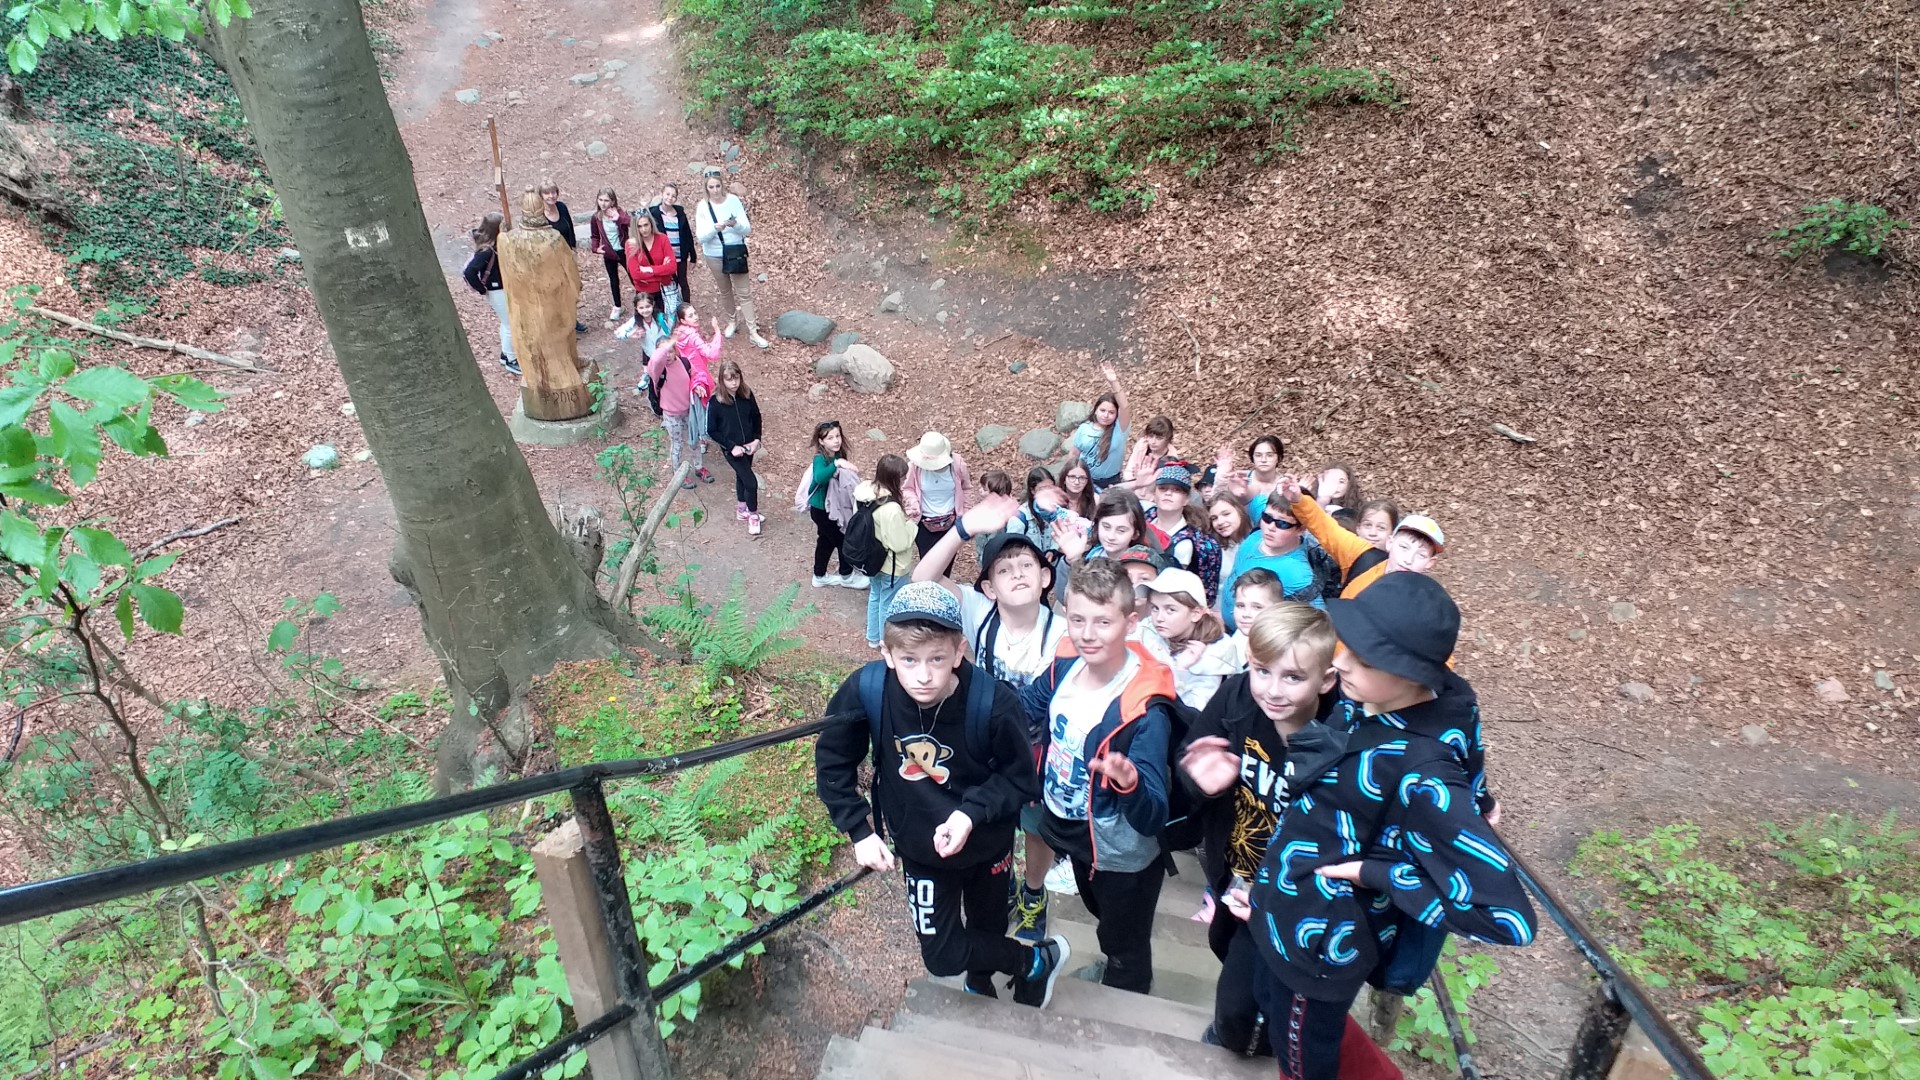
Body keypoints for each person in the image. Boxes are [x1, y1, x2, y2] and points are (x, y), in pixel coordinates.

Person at [1246, 574, 1534, 1080]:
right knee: (1270, 1007)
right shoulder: (1414, 698)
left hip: (1322, 941)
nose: (1340, 662)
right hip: (1281, 902)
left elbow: (1508, 918)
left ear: (1411, 672)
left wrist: (1377, 873)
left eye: (1366, 659)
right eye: (1348, 645)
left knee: (1302, 1058)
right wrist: (1484, 802)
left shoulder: (1425, 770)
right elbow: (1473, 765)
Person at [814, 582, 1070, 1006]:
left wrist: (969, 815)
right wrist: (859, 830)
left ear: (958, 651)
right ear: (887, 653)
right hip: (920, 850)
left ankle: (980, 985)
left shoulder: (993, 702)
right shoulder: (868, 690)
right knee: (942, 955)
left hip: (987, 846)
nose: (923, 675)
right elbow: (833, 759)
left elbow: (1019, 778)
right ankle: (1034, 962)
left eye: (936, 658)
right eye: (909, 659)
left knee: (988, 928)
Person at [1178, 603, 1337, 1057]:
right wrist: (1200, 780)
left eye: (1293, 677)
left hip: (1289, 896)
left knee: (1240, 1005)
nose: (1273, 690)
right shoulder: (1237, 698)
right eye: (1262, 670)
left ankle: (1247, 1039)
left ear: (1326, 680)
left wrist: (1277, 902)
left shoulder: (1340, 737)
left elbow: (1344, 834)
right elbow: (1190, 756)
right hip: (1234, 874)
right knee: (1222, 944)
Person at [912, 495, 1070, 944]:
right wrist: (963, 528)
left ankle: (1034, 892)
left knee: (1036, 830)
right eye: (1004, 568)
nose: (1017, 573)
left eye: (1027, 565)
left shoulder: (1063, 631)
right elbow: (922, 581)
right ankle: (1001, 882)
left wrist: (1080, 558)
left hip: (1038, 753)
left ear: (1045, 578)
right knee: (988, 819)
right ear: (988, 588)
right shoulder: (978, 614)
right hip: (982, 747)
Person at [1018, 558, 1177, 994]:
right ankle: (1114, 968)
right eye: (1077, 619)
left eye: (1103, 622)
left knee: (1125, 938)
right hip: (1073, 831)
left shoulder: (1145, 710)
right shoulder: (1067, 662)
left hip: (1121, 850)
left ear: (1131, 623)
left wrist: (1130, 782)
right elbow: (1025, 706)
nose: (1087, 634)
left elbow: (1152, 816)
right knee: (1098, 911)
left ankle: (1124, 990)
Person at [1275, 476, 1443, 599]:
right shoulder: (1363, 556)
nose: (1408, 560)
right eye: (1404, 547)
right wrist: (1299, 499)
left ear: (1430, 563)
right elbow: (1326, 528)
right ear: (1391, 542)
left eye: (1421, 555)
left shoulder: (1424, 602)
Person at [1216, 497, 1332, 632]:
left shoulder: (1298, 573)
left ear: (1301, 529)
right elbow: (1252, 498)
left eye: (1282, 523)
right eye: (1267, 518)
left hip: (1258, 637)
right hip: (1232, 629)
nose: (1270, 527)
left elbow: (1319, 623)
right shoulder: (1258, 534)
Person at [645, 302, 721, 489]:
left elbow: (696, 375)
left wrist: (698, 386)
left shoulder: (684, 362)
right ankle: (678, 474)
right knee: (677, 444)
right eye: (665, 352)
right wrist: (667, 344)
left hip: (689, 410)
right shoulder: (658, 370)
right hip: (672, 415)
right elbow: (655, 360)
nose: (668, 355)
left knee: (694, 441)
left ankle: (699, 467)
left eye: (671, 351)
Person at [1140, 568, 1236, 710]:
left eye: (1170, 610)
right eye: (1155, 608)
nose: (1159, 618)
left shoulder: (1213, 654)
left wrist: (1180, 671)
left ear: (1196, 614)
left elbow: (1193, 713)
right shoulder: (1147, 630)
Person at [694, 172, 768, 349]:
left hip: (735, 251)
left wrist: (735, 224)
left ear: (722, 185)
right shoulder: (703, 206)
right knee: (725, 291)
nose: (715, 190)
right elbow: (701, 237)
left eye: (717, 186)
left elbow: (746, 229)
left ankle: (753, 331)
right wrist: (715, 229)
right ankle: (732, 321)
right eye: (711, 187)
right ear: (706, 188)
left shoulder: (733, 201)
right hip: (714, 254)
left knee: (744, 292)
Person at [796, 420, 867, 589]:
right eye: (830, 438)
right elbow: (820, 477)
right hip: (822, 510)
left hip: (832, 508)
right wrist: (836, 464)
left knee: (825, 541)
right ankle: (847, 576)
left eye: (838, 436)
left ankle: (819, 575)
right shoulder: (820, 459)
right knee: (842, 539)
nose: (836, 441)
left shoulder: (837, 455)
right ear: (821, 441)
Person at [856, 455, 917, 648]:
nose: (904, 481)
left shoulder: (866, 493)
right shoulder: (891, 509)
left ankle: (873, 636)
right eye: (902, 478)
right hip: (892, 565)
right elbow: (899, 543)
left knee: (875, 595)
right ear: (893, 479)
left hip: (872, 559)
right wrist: (912, 524)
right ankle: (886, 641)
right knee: (889, 603)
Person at [1144, 465, 1222, 605]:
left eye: (1176, 490)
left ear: (1186, 499)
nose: (1168, 493)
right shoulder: (1143, 519)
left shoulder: (1191, 542)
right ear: (1154, 493)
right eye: (1163, 488)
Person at [706, 360, 763, 535]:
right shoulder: (716, 402)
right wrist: (731, 447)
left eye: (736, 378)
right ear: (722, 380)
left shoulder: (746, 394)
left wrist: (756, 440)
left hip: (748, 446)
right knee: (751, 482)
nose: (734, 383)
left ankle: (742, 509)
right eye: (729, 379)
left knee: (742, 477)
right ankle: (753, 515)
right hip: (732, 449)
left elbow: (756, 417)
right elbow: (711, 430)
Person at [902, 432, 972, 576]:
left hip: (951, 523)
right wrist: (913, 504)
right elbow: (907, 488)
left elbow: (966, 489)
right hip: (924, 523)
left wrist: (964, 513)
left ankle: (943, 588)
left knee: (946, 565)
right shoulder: (915, 466)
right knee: (927, 566)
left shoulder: (957, 464)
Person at [461, 214, 516, 374]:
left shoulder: (496, 245)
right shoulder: (486, 251)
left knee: (505, 322)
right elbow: (470, 272)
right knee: (510, 324)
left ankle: (505, 353)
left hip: (501, 290)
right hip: (496, 290)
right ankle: (511, 359)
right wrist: (482, 289)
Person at [1066, 362, 1130, 490]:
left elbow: (1125, 407)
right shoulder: (1084, 428)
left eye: (1111, 412)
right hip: (1085, 478)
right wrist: (1069, 475)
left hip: (1111, 481)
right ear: (1095, 410)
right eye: (1102, 410)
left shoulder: (1119, 429)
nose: (1106, 415)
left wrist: (1113, 381)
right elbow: (1073, 454)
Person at [536, 180, 588, 335]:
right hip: (550, 261)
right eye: (547, 193)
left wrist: (573, 248)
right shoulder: (539, 215)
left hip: (567, 257)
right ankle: (560, 324)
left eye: (553, 192)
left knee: (571, 289)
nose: (551, 196)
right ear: (541, 195)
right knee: (555, 292)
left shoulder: (562, 207)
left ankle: (572, 320)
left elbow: (570, 227)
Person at [587, 189, 632, 324]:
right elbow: (595, 235)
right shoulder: (596, 217)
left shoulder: (620, 212)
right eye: (600, 200)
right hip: (609, 252)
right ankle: (617, 306)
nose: (603, 203)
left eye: (606, 200)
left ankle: (643, 300)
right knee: (613, 279)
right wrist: (595, 248)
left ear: (612, 201)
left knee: (634, 275)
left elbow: (631, 222)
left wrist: (618, 218)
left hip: (624, 251)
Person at [649, 182, 697, 302]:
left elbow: (688, 235)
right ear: (662, 194)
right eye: (667, 194)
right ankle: (671, 304)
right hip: (665, 256)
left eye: (673, 196)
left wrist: (693, 256)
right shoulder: (653, 213)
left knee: (683, 282)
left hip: (680, 255)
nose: (670, 198)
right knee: (668, 281)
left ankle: (686, 306)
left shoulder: (680, 214)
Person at [625, 213, 680, 319]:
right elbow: (636, 274)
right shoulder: (631, 244)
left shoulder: (662, 239)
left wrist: (648, 269)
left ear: (651, 224)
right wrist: (662, 272)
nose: (644, 229)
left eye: (646, 225)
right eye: (639, 226)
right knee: (646, 323)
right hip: (644, 294)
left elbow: (672, 267)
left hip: (664, 291)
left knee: (665, 321)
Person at [1117, 415, 1177, 495]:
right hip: (1134, 485)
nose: (1153, 441)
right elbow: (1130, 468)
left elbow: (1168, 483)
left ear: (1168, 439)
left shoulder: (1171, 455)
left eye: (1159, 438)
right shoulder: (1142, 445)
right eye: (1151, 436)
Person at [1207, 491, 1254, 585]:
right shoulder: (1212, 548)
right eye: (1214, 518)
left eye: (1226, 514)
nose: (1220, 522)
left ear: (1240, 511)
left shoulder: (1258, 541)